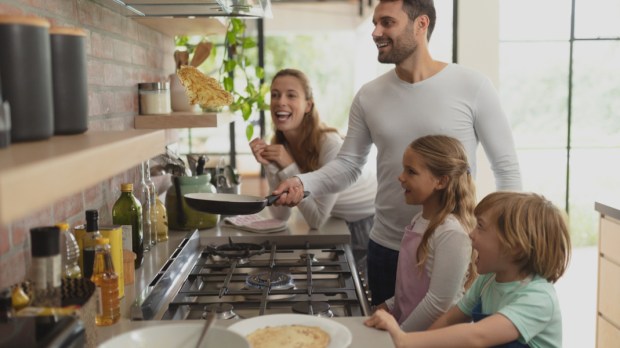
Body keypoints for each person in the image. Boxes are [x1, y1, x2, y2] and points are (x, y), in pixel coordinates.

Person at [270, 0, 522, 306]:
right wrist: (302, 183)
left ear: (421, 24)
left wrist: (503, 238)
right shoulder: (369, 95)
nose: (376, 31)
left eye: (387, 22)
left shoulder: (472, 86)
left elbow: (506, 169)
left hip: (454, 249)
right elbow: (349, 165)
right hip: (387, 247)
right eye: (375, 23)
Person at [365, 191, 572, 348]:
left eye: (480, 227)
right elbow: (449, 319)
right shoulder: (488, 280)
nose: (471, 234)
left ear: (515, 247)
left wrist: (404, 339)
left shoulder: (538, 298)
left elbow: (478, 336)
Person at [249, 68, 377, 275]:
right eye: (275, 95)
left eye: (291, 95)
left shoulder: (329, 144)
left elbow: (316, 220)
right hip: (338, 220)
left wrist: (289, 165)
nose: (280, 101)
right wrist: (270, 164)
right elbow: (280, 215)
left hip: (367, 223)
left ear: (308, 105)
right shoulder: (283, 145)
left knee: (363, 297)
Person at [377, 135, 477, 332]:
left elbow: (438, 303)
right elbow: (409, 287)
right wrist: (388, 307)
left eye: (411, 171)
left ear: (441, 181)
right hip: (413, 334)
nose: (401, 177)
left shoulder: (451, 232)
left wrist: (401, 336)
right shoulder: (418, 221)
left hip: (435, 338)